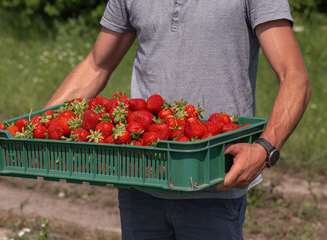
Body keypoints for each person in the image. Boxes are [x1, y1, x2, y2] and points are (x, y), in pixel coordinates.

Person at [45, 0, 311, 239]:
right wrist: (44, 123)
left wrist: (265, 149)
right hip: (141, 179)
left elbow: (294, 76)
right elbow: (96, 65)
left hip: (213, 181)